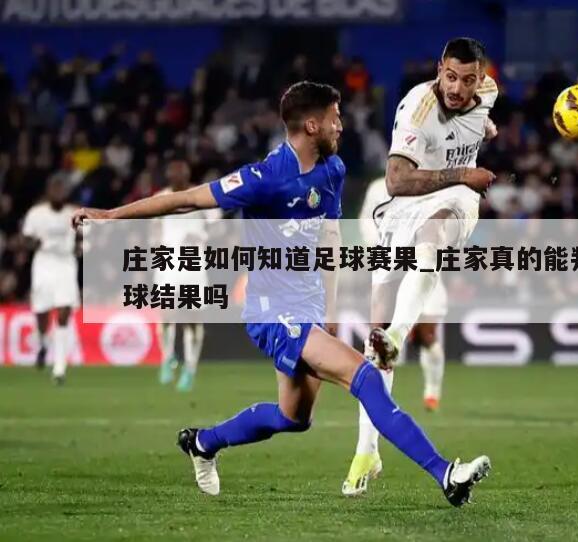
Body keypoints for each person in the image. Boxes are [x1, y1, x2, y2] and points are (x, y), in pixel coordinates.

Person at [72, 81, 493, 507]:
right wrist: (110, 216)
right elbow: (186, 200)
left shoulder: (332, 170)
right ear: (311, 125)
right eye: (334, 118)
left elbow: (329, 237)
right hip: (272, 311)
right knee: (365, 377)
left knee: (294, 417)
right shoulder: (264, 177)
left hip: (307, 306)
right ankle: (445, 474)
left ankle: (202, 442)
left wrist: (329, 310)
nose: (341, 125)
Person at [341, 37, 497, 497]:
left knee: (434, 235)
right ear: (439, 69)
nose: (458, 88)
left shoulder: (487, 93)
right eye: (450, 76)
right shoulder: (417, 108)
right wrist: (464, 171)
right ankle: (366, 451)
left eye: (468, 80)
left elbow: (481, 116)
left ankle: (399, 334)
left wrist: (483, 132)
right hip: (404, 203)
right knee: (374, 345)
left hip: (453, 201)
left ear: (481, 78)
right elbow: (396, 180)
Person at [358, 177, 448, 412]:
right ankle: (379, 398)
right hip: (390, 267)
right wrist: (378, 246)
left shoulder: (431, 183)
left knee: (427, 335)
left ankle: (432, 391)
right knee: (382, 337)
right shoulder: (378, 188)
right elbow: (367, 219)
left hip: (423, 265)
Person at [155, 157, 221, 392]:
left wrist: (202, 237)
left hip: (193, 263)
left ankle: (190, 368)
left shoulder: (202, 196)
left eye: (180, 172)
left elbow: (218, 227)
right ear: (168, 176)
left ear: (187, 174)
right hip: (166, 262)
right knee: (167, 314)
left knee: (192, 317)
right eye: (172, 173)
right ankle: (167, 358)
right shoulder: (161, 198)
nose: (176, 177)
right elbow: (153, 228)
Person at [22, 176, 79, 384]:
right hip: (44, 265)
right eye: (55, 189)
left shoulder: (74, 213)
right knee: (42, 312)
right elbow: (25, 238)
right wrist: (33, 243)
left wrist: (80, 246)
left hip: (66, 264)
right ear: (48, 192)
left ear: (66, 193)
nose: (58, 193)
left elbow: (85, 238)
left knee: (64, 312)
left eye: (62, 189)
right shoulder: (36, 214)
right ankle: (43, 342)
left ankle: (59, 368)